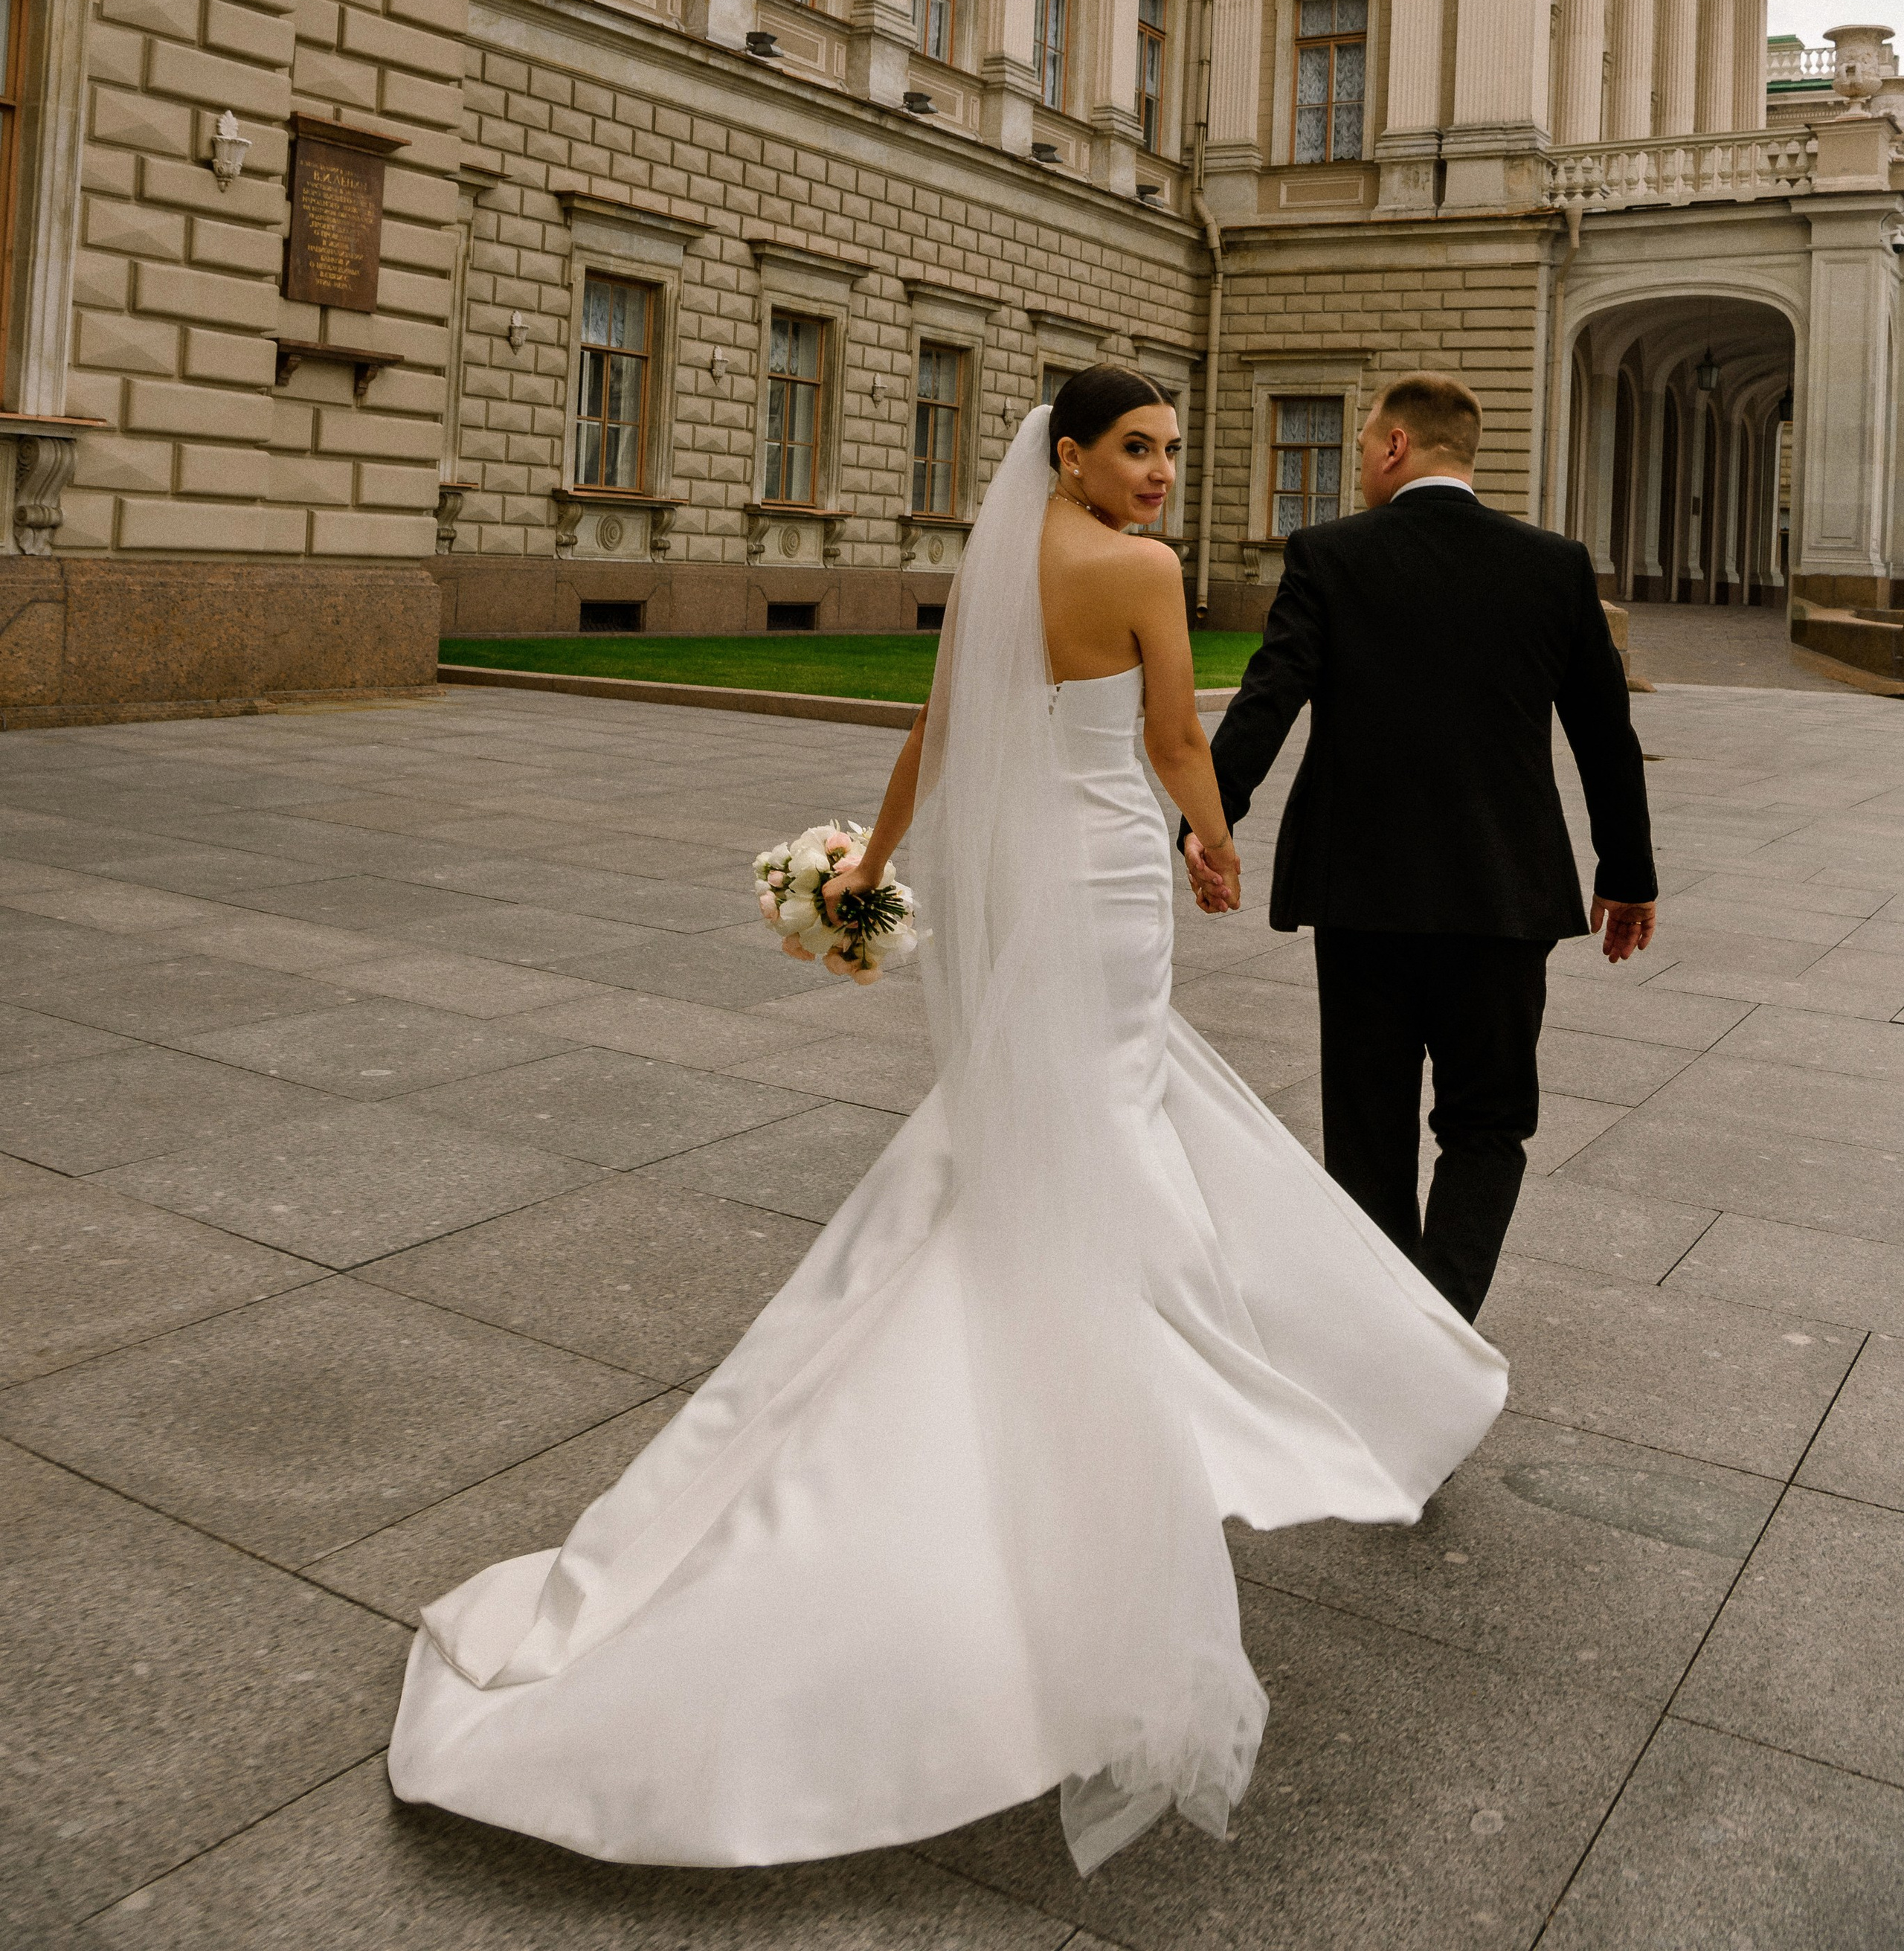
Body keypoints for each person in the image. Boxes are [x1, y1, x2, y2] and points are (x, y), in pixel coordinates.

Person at [387, 371, 1505, 1877]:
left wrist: (873, 863)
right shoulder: (1138, 570)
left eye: (1171, 452)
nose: (1161, 474)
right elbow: (1177, 736)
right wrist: (1217, 845)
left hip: (1007, 880)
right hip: (1104, 874)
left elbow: (931, 731)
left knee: (1041, 1122)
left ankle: (1113, 1316)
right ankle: (1139, 1367)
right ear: (1070, 452)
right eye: (1136, 448)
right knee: (1106, 1114)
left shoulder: (993, 565)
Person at [1185, 370, 1657, 1325]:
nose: (1360, 460)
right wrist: (1627, 874)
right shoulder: (1554, 564)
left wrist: (1209, 819)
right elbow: (1604, 735)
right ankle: (1435, 1326)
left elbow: (1266, 696)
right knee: (1487, 1125)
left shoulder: (1328, 554)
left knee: (1366, 1134)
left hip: (1361, 894)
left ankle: (1388, 1337)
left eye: (1361, 443)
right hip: (1502, 893)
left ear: (1395, 445)